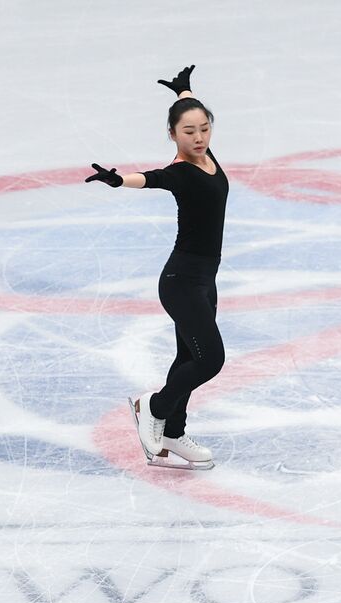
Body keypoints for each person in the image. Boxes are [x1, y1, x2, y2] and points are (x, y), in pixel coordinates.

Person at [87, 64, 228, 471]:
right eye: (189, 132)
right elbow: (153, 179)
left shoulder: (206, 157)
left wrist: (183, 92)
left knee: (188, 356)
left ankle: (172, 432)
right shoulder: (182, 172)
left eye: (204, 129)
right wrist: (119, 180)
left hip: (205, 280)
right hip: (181, 281)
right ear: (172, 136)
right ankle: (153, 405)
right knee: (209, 360)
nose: (199, 137)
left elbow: (191, 111)